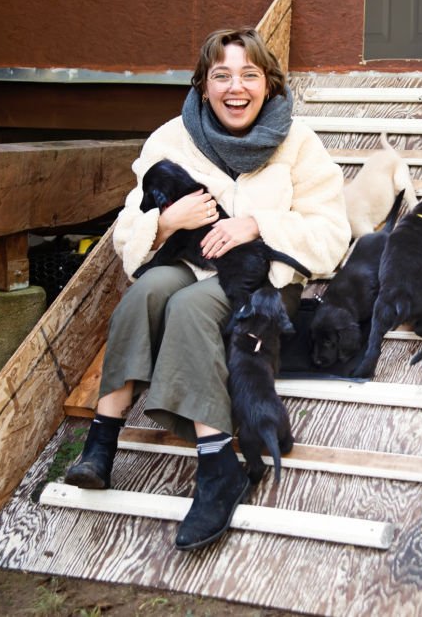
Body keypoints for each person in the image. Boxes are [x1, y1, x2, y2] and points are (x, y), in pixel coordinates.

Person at [64, 27, 350, 551]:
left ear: (269, 85)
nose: (235, 87)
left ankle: (218, 467)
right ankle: (101, 444)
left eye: (249, 75)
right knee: (145, 295)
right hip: (191, 260)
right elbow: (130, 232)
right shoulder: (169, 140)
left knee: (191, 308)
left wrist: (259, 224)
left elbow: (333, 234)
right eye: (221, 75)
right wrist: (167, 222)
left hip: (263, 281)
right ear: (202, 85)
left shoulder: (298, 143)